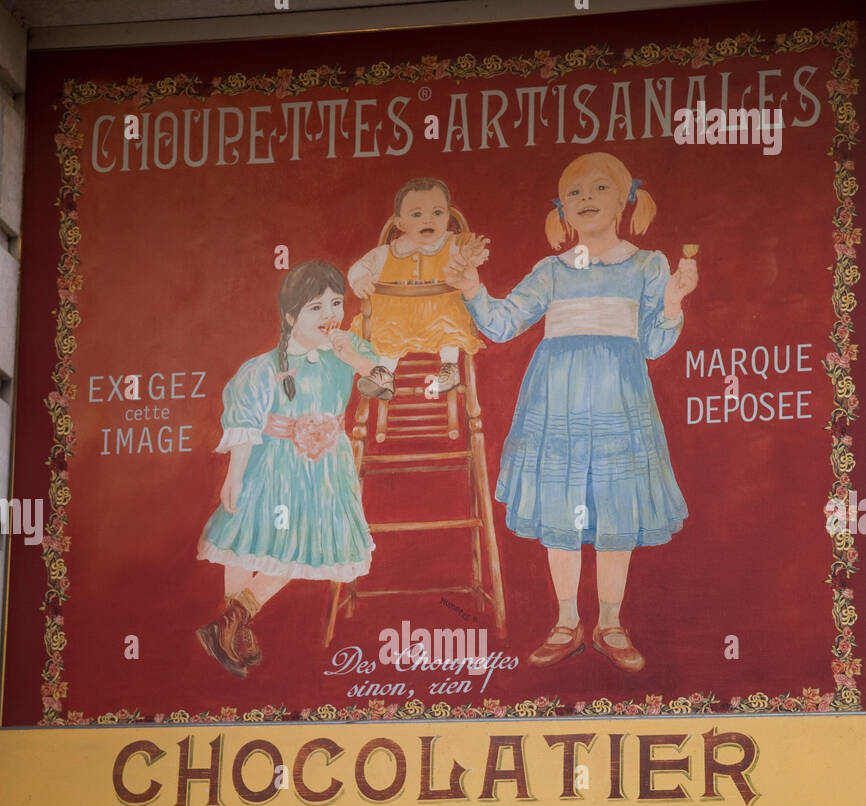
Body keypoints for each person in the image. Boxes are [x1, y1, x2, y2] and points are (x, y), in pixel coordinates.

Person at [445, 153, 698, 671]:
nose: (586, 200)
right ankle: (566, 622)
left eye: (599, 189)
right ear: (561, 208)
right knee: (561, 509)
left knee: (615, 513)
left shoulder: (647, 265)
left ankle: (609, 623)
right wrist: (471, 284)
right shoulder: (551, 271)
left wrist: (673, 301)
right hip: (555, 408)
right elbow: (500, 324)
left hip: (619, 409)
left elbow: (653, 344)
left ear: (626, 199)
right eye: (575, 193)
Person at [196, 261, 378, 675]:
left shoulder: (344, 353)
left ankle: (230, 624)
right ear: (292, 316)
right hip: (272, 463)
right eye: (316, 308)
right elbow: (244, 422)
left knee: (307, 543)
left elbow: (386, 381)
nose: (330, 315)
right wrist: (235, 475)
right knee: (248, 534)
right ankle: (234, 630)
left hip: (325, 470)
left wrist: (353, 355)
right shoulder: (263, 368)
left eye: (336, 303)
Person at [348, 177, 485, 401]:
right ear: (400, 223)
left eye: (437, 213)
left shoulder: (453, 246)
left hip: (440, 313)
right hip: (399, 318)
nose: (427, 220)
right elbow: (359, 267)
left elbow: (471, 254)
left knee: (449, 324)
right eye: (417, 214)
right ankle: (384, 374)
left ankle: (449, 368)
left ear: (448, 217)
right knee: (387, 330)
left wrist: (473, 253)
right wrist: (360, 279)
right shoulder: (387, 253)